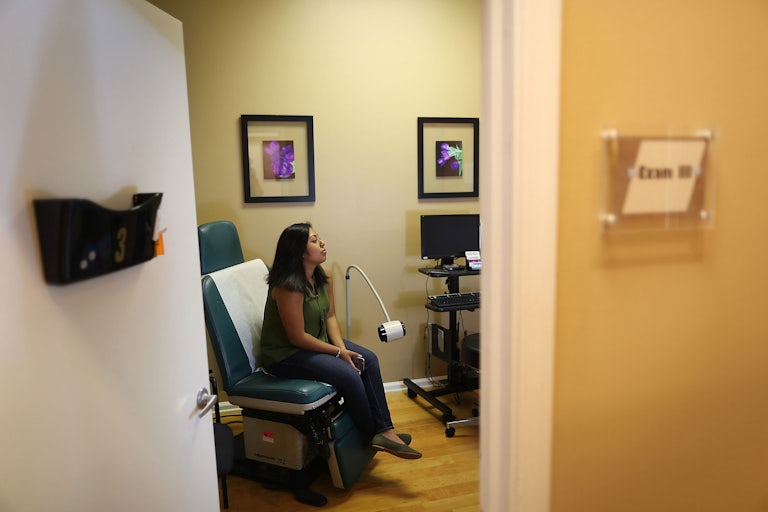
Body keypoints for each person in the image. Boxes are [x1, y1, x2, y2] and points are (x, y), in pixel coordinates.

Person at [259, 222, 422, 459]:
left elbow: (330, 316)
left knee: (369, 360)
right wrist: (338, 355)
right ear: (299, 252)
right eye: (314, 241)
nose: (322, 243)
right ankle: (372, 434)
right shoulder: (288, 287)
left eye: (319, 238)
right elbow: (297, 337)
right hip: (286, 354)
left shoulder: (322, 275)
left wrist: (343, 350)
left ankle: (386, 431)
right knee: (348, 375)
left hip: (315, 342)